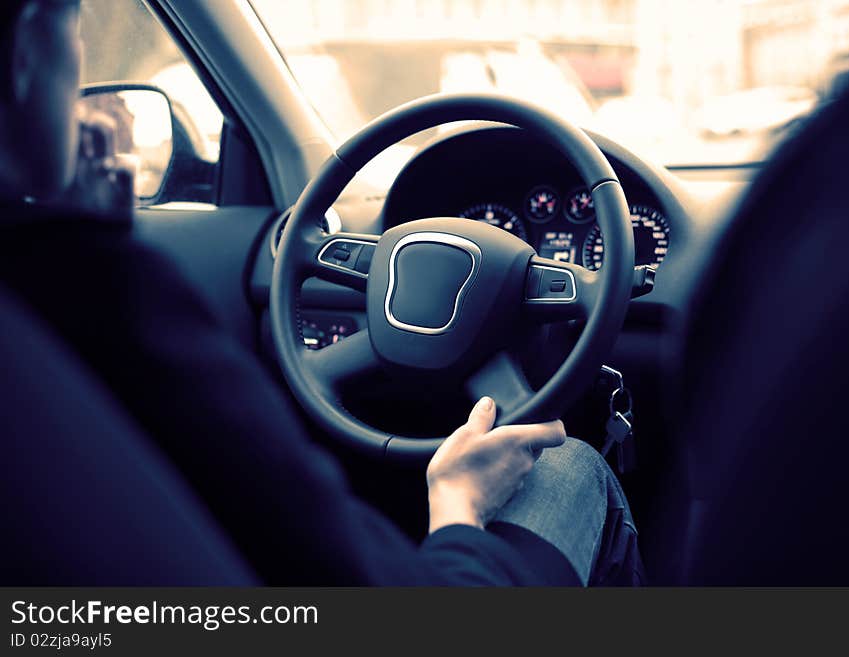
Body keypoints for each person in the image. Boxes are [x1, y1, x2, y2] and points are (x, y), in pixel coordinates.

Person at [0, 0, 643, 585]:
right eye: (74, 26)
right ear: (28, 50)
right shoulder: (99, 293)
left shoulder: (54, 292)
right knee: (569, 467)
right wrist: (456, 504)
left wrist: (86, 232)